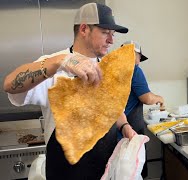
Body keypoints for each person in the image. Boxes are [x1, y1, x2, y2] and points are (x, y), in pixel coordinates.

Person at [3, 3, 136, 180]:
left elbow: (113, 109)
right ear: (84, 29)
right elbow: (9, 84)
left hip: (105, 169)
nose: (111, 40)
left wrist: (125, 126)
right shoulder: (52, 66)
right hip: (66, 171)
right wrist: (60, 62)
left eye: (112, 35)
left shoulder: (107, 68)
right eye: (105, 32)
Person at [121, 41, 164, 178]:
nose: (139, 61)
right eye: (139, 56)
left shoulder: (115, 70)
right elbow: (147, 98)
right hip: (131, 130)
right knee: (135, 171)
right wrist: (160, 98)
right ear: (133, 54)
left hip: (118, 130)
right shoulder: (134, 70)